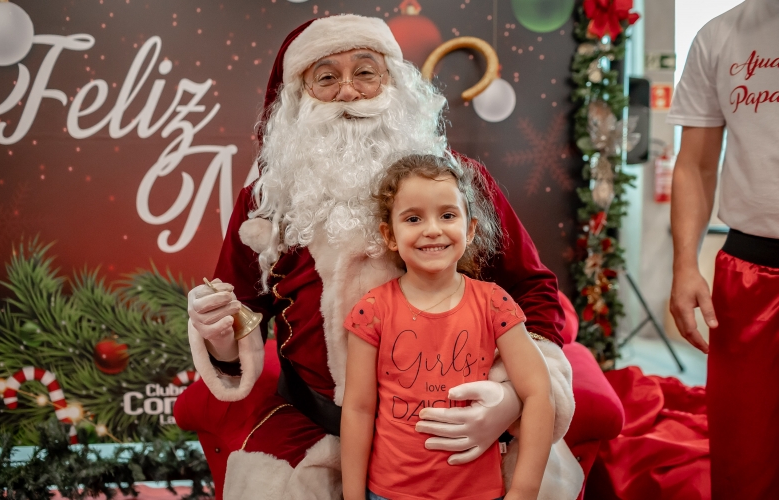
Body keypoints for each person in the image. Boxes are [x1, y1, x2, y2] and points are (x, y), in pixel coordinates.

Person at [176, 14, 580, 499]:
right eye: (327, 77)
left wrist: (510, 398)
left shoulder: (458, 184)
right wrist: (221, 335)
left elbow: (532, 289)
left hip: (454, 420)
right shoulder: (266, 201)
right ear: (299, 97)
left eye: (366, 72)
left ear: (395, 82)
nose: (349, 91)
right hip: (319, 421)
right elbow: (241, 310)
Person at [341, 154, 554, 500]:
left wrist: (524, 491)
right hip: (389, 493)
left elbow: (539, 393)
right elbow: (358, 410)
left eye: (448, 215)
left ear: (469, 229)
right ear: (390, 235)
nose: (432, 229)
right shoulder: (372, 311)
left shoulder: (494, 304)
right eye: (413, 218)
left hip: (479, 494)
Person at [667, 0, 779, 498]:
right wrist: (684, 264)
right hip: (751, 275)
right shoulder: (719, 36)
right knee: (745, 456)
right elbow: (695, 164)